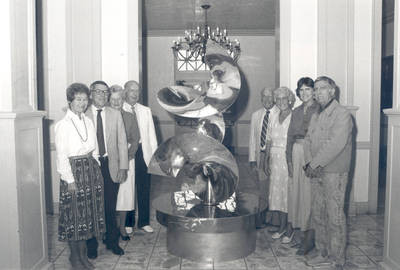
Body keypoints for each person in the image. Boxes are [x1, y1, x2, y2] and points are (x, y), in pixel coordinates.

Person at [303, 76, 353, 269]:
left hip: (334, 173)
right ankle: (322, 252)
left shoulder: (342, 114)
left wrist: (313, 164)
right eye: (315, 89)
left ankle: (337, 259)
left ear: (333, 91)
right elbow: (308, 140)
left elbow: (336, 144)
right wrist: (308, 163)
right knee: (318, 214)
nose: (317, 93)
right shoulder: (317, 114)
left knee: (335, 217)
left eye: (322, 88)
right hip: (316, 172)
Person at [55, 83, 105, 269]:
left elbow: (95, 148)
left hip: (90, 169)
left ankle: (83, 256)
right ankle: (75, 258)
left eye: (85, 99)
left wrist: (97, 166)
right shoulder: (63, 125)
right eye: (78, 99)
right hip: (74, 172)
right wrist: (69, 180)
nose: (82, 103)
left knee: (88, 217)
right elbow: (61, 155)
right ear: (70, 101)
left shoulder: (89, 121)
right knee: (74, 217)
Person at [85, 81, 128, 258]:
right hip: (89, 166)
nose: (102, 96)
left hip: (110, 165)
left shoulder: (115, 114)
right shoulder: (82, 114)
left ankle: (112, 241)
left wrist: (123, 166)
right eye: (98, 92)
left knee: (110, 207)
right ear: (91, 94)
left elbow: (122, 143)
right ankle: (91, 244)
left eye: (105, 93)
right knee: (90, 207)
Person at [285, 77, 320, 251]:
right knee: (296, 194)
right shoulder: (296, 111)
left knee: (308, 195)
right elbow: (290, 137)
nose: (304, 93)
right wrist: (289, 161)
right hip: (295, 152)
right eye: (301, 90)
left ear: (314, 91)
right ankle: (297, 231)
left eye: (308, 89)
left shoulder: (319, 109)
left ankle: (308, 235)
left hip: (311, 153)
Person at [123, 80, 158, 234]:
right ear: (125, 92)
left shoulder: (145, 110)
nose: (135, 94)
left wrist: (154, 157)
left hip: (144, 152)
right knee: (128, 188)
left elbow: (152, 136)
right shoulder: (119, 109)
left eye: (137, 90)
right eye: (131, 90)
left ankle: (143, 221)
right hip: (129, 153)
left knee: (144, 188)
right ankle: (128, 222)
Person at [109, 85, 140, 241]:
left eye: (119, 99)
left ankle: (121, 227)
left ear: (123, 99)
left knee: (125, 196)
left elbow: (135, 140)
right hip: (109, 161)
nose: (116, 102)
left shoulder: (129, 117)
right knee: (110, 196)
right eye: (113, 99)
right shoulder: (104, 116)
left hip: (127, 160)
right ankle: (109, 228)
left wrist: (128, 156)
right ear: (109, 100)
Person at [264, 87, 295, 240]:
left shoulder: (294, 116)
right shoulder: (273, 116)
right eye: (278, 99)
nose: (281, 102)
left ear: (289, 99)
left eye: (284, 98)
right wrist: (266, 159)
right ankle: (282, 227)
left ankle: (290, 228)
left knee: (288, 194)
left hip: (288, 158)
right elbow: (268, 140)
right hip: (274, 159)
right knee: (277, 195)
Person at [249, 87, 279, 228]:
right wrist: (252, 159)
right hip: (260, 155)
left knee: (275, 187)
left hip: (274, 155)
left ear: (274, 98)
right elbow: (252, 139)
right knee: (262, 187)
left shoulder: (280, 113)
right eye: (264, 97)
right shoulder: (256, 115)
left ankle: (274, 218)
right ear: (261, 99)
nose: (267, 100)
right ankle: (262, 216)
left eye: (270, 97)